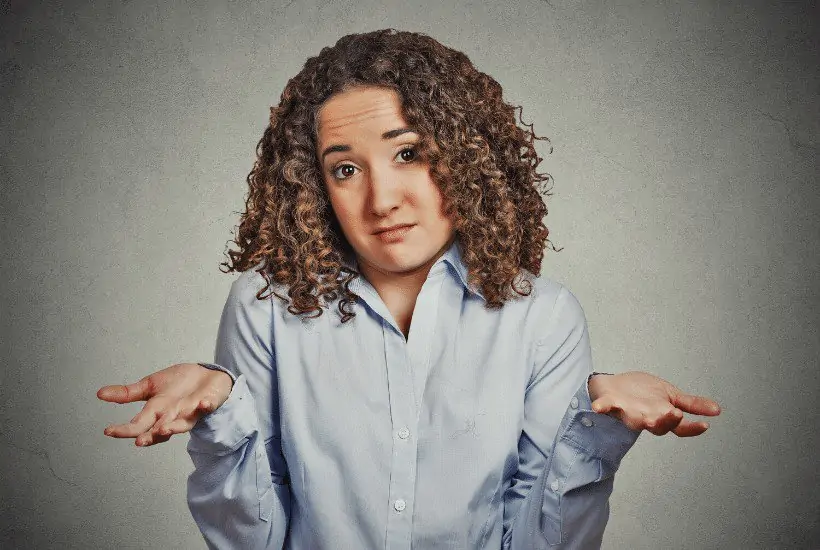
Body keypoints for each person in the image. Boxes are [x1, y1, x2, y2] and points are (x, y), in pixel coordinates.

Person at [97, 29, 721, 549]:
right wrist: (220, 418)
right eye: (345, 169)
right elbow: (256, 542)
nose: (382, 198)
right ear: (315, 187)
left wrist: (596, 431)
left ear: (464, 155)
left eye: (408, 154)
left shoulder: (543, 318)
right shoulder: (265, 307)